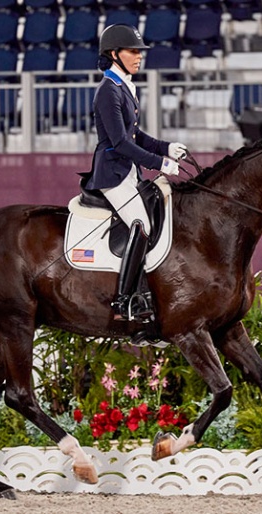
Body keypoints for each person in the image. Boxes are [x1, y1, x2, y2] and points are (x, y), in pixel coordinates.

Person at [84, 24, 188, 323]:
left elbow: (136, 134)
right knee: (141, 224)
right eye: (132, 51)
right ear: (114, 54)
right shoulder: (107, 90)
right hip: (112, 173)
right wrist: (160, 163)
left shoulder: (124, 86)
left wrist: (167, 148)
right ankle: (124, 300)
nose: (138, 57)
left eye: (138, 52)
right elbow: (119, 142)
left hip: (130, 172)